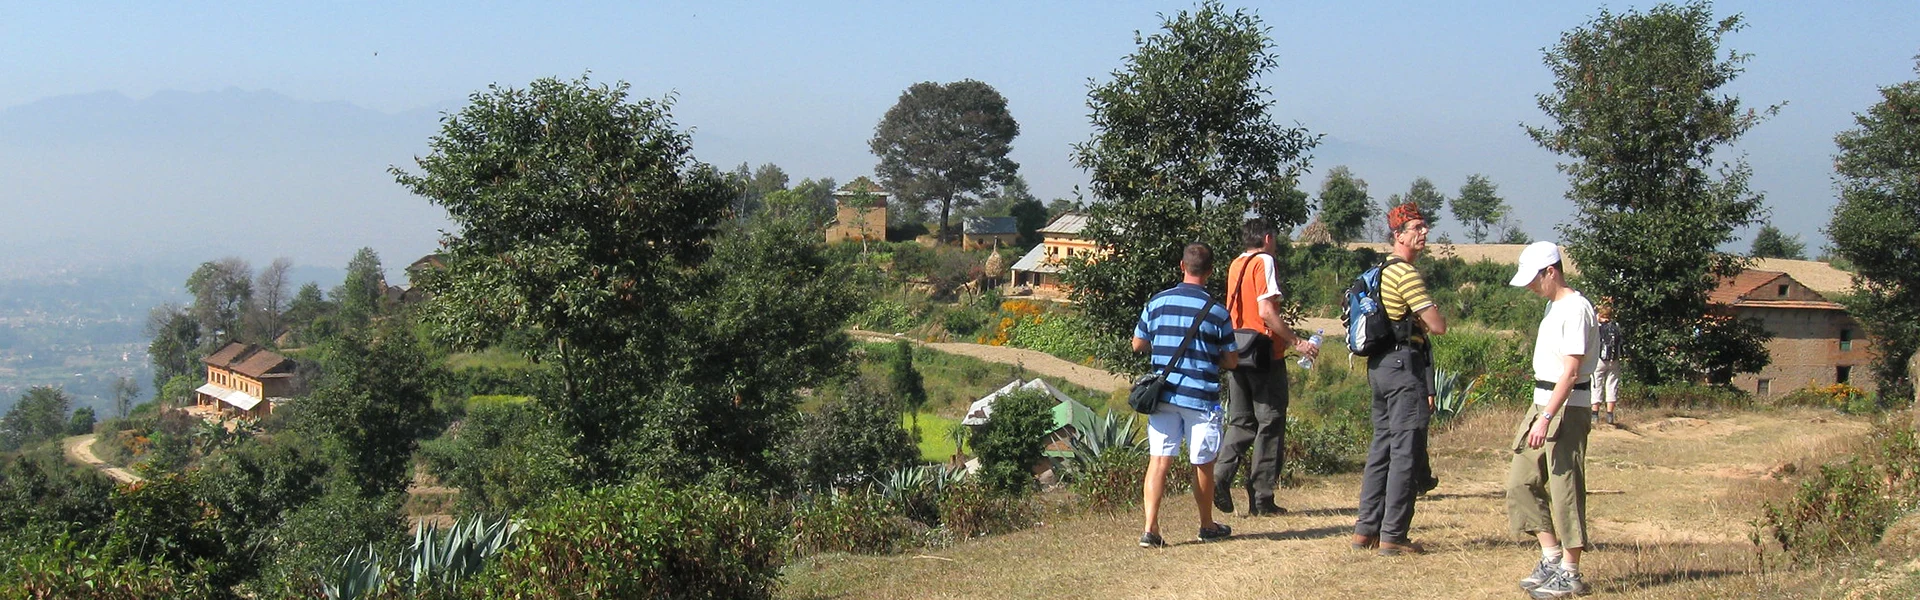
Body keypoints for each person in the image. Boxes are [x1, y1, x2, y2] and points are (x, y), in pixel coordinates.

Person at [1504, 241, 1600, 598]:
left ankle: (1571, 572)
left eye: (1534, 279)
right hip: (1542, 401)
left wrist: (1546, 417)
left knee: (1564, 488)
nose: (1531, 286)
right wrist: (1539, 412)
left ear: (1551, 272)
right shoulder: (1552, 306)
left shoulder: (1575, 309)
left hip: (1565, 407)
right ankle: (1551, 557)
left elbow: (1572, 371)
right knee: (1521, 481)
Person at [1351, 202, 1447, 556]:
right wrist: (1426, 319)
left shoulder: (1379, 272)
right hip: (1403, 369)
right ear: (1398, 235)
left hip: (1378, 367)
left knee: (1381, 450)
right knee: (1405, 452)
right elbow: (1438, 325)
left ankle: (1365, 530)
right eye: (1417, 228)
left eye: (1424, 227)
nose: (1424, 234)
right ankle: (1394, 536)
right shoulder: (1406, 274)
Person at [1132, 242, 1238, 548]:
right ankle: (1206, 524)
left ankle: (1151, 529)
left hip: (1163, 396)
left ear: (1182, 266)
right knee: (1202, 462)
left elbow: (1138, 344)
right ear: (1210, 271)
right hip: (1201, 398)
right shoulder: (1217, 312)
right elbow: (1231, 361)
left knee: (1159, 461)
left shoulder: (1157, 302)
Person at [1214, 219, 1318, 516]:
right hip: (1264, 354)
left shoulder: (1236, 264)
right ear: (1268, 238)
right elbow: (1266, 311)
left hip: (1236, 350)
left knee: (1241, 422)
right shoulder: (1265, 262)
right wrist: (1296, 341)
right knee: (1270, 422)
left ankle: (1219, 478)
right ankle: (1262, 497)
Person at [1594, 303, 1625, 425]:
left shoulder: (1597, 326)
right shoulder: (1616, 326)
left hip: (1599, 360)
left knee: (1597, 385)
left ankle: (1595, 415)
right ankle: (1610, 416)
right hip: (1614, 360)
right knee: (1612, 386)